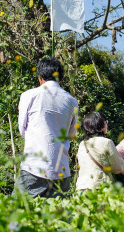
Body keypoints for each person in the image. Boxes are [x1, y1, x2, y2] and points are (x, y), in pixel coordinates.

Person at [17, 57, 78, 198]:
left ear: (40, 78)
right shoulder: (72, 101)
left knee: (17, 213)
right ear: (60, 78)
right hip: (61, 169)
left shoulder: (29, 95)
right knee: (60, 218)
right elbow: (71, 134)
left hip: (34, 166)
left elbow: (22, 129)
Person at [75, 111, 124, 191]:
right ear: (100, 125)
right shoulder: (106, 142)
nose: (107, 124)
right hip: (100, 187)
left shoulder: (82, 144)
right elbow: (118, 168)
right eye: (106, 122)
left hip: (81, 188)